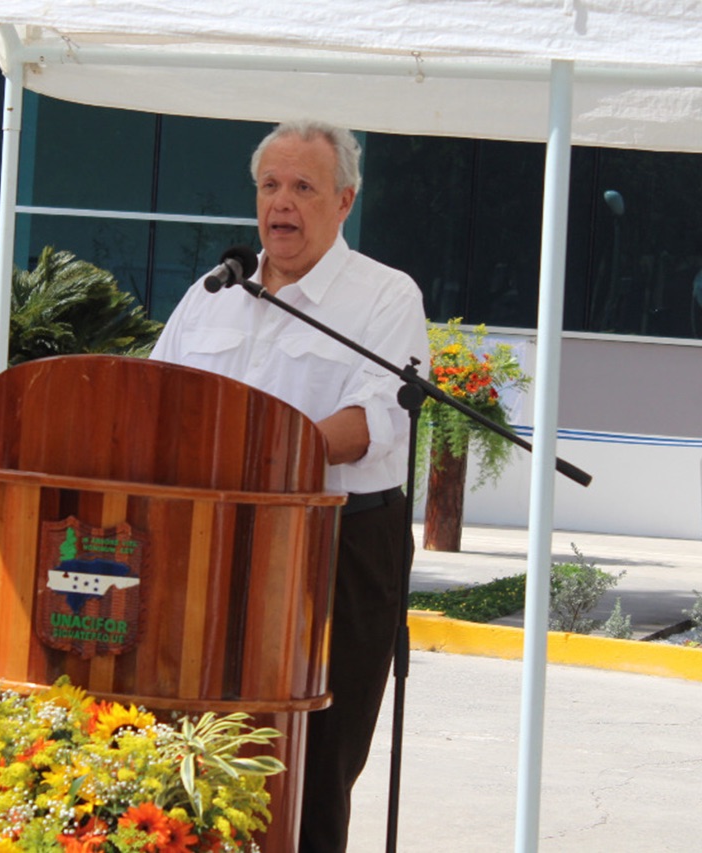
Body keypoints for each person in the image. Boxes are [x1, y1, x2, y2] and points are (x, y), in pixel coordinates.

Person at [149, 119, 429, 852]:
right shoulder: (213, 293)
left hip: (337, 547)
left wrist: (263, 451)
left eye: (303, 186)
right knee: (194, 740)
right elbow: (154, 397)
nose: (283, 202)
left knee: (315, 762)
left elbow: (373, 420)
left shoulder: (384, 296)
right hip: (209, 542)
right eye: (270, 185)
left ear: (343, 200)